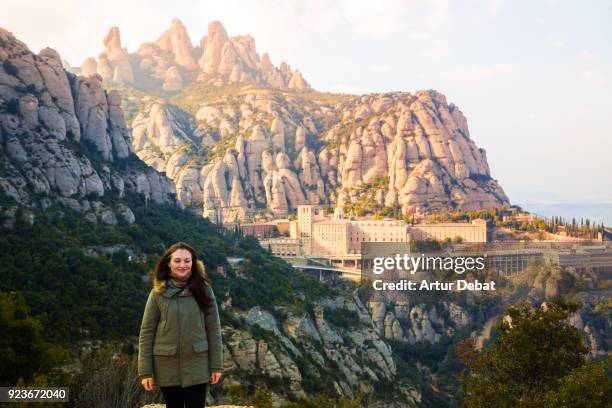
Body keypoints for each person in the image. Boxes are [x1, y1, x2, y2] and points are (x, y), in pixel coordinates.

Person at [138, 242, 223, 408]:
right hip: (167, 365)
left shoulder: (204, 290)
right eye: (177, 261)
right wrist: (145, 372)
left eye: (187, 260)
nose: (182, 265)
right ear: (168, 263)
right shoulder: (158, 293)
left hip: (197, 364)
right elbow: (146, 332)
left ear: (193, 263)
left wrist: (216, 365)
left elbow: (214, 330)